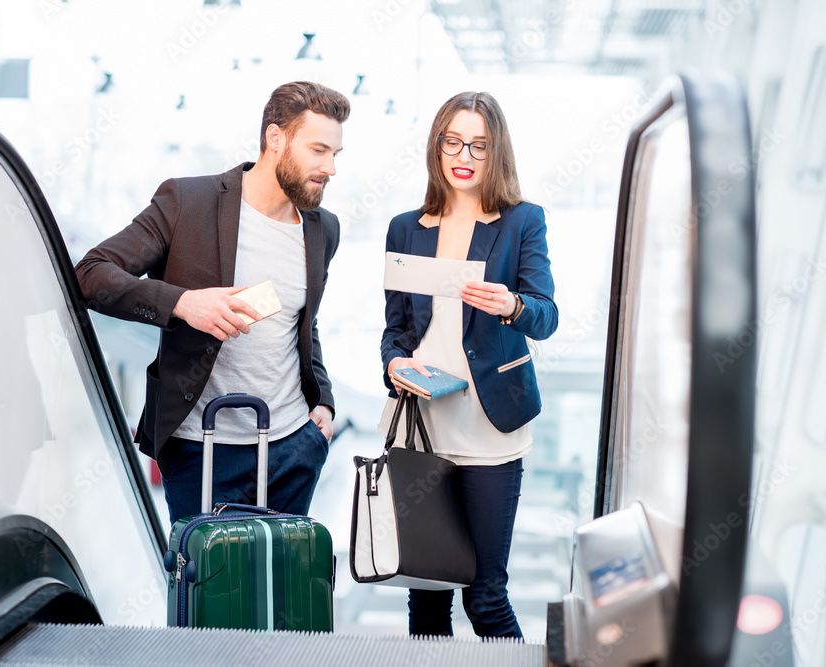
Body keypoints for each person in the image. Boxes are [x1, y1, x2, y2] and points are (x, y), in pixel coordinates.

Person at [75, 81, 350, 524]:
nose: (330, 168)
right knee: (209, 589)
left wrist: (324, 403)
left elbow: (305, 323)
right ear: (275, 139)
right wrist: (183, 303)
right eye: (319, 151)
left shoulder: (322, 228)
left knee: (283, 591)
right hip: (200, 448)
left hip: (293, 446)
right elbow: (92, 274)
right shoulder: (188, 202)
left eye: (336, 154)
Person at [380, 91, 558, 638]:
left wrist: (511, 305)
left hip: (488, 426)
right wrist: (394, 363)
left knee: (486, 599)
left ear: (495, 152)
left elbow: (546, 316)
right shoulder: (406, 227)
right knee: (427, 597)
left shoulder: (522, 221)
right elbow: (394, 329)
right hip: (419, 424)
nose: (464, 154)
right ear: (437, 146)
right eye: (453, 141)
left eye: (479, 145)